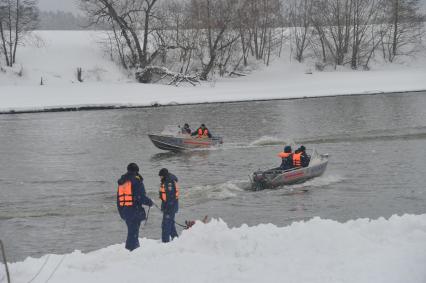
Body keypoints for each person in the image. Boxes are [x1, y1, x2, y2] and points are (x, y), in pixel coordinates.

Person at [117, 163, 153, 251]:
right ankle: (132, 251)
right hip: (134, 210)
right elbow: (141, 197)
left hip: (125, 211)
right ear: (136, 171)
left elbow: (118, 200)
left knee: (131, 232)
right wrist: (150, 202)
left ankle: (131, 250)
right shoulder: (136, 181)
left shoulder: (122, 182)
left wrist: (121, 212)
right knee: (133, 233)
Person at [158, 168, 179, 243]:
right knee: (170, 223)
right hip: (170, 206)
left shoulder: (169, 181)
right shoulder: (167, 180)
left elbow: (170, 197)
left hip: (170, 207)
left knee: (165, 225)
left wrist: (167, 208)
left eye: (160, 176)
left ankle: (165, 242)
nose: (160, 178)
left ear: (163, 176)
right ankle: (176, 239)